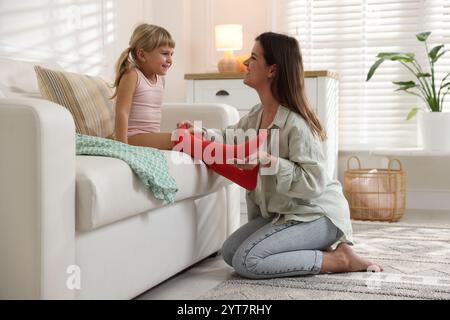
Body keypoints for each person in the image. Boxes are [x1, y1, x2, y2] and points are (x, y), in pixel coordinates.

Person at [183, 32, 383, 279]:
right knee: (230, 252)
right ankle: (311, 247)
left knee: (248, 261)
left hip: (317, 214)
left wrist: (270, 160)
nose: (246, 62)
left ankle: (339, 259)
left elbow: (314, 183)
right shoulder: (257, 115)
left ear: (272, 70)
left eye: (253, 57)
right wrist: (199, 133)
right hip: (286, 213)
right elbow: (229, 135)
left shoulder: (297, 124)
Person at [111, 23, 266, 191]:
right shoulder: (132, 75)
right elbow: (122, 111)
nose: (170, 60)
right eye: (164, 54)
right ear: (142, 54)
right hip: (134, 137)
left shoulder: (160, 79)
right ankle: (235, 154)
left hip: (149, 136)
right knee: (180, 138)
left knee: (188, 133)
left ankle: (241, 175)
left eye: (171, 54)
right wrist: (123, 147)